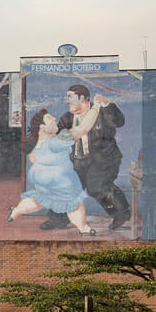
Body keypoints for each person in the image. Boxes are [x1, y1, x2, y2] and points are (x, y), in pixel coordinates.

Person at [7, 108, 98, 235]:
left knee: (40, 199)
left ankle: (16, 211)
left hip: (39, 176)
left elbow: (33, 158)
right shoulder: (55, 142)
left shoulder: (37, 143)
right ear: (42, 128)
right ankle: (83, 228)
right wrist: (96, 108)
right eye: (49, 119)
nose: (54, 119)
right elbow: (82, 129)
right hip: (59, 179)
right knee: (74, 202)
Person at [53, 84, 132, 231]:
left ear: (82, 98)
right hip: (76, 160)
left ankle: (122, 214)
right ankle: (58, 219)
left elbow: (119, 122)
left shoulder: (102, 112)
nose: (67, 100)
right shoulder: (67, 118)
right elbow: (59, 138)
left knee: (97, 186)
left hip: (103, 159)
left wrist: (108, 104)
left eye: (70, 96)